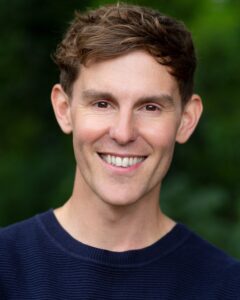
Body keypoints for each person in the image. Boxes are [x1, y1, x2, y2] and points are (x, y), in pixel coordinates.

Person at [0, 3, 239, 299]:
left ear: (186, 121)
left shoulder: (226, 286)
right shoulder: (6, 269)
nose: (123, 133)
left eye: (150, 107)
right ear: (64, 109)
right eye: (102, 104)